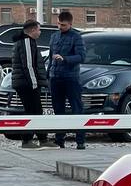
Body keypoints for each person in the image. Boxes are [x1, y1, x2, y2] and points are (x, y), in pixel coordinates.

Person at [48, 10, 86, 150]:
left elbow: (81, 57)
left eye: (63, 25)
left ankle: (80, 140)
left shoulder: (76, 37)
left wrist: (66, 59)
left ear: (70, 24)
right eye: (58, 24)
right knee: (58, 110)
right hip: (55, 77)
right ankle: (59, 140)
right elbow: (51, 57)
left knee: (77, 109)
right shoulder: (54, 36)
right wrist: (48, 75)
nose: (60, 27)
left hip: (71, 78)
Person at [9, 19, 48, 148]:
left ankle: (42, 139)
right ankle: (27, 140)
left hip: (26, 82)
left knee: (36, 110)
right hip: (27, 83)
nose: (40, 32)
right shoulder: (26, 42)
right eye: (38, 29)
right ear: (32, 30)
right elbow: (29, 65)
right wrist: (34, 83)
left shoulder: (27, 41)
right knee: (32, 111)